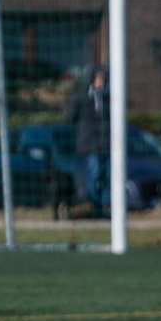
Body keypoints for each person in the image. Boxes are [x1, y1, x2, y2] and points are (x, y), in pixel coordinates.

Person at [66, 65, 111, 215]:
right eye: (98, 78)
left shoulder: (109, 97)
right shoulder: (82, 97)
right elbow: (71, 117)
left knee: (108, 175)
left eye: (103, 78)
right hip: (89, 145)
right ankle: (94, 203)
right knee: (94, 172)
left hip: (106, 145)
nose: (101, 81)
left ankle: (103, 205)